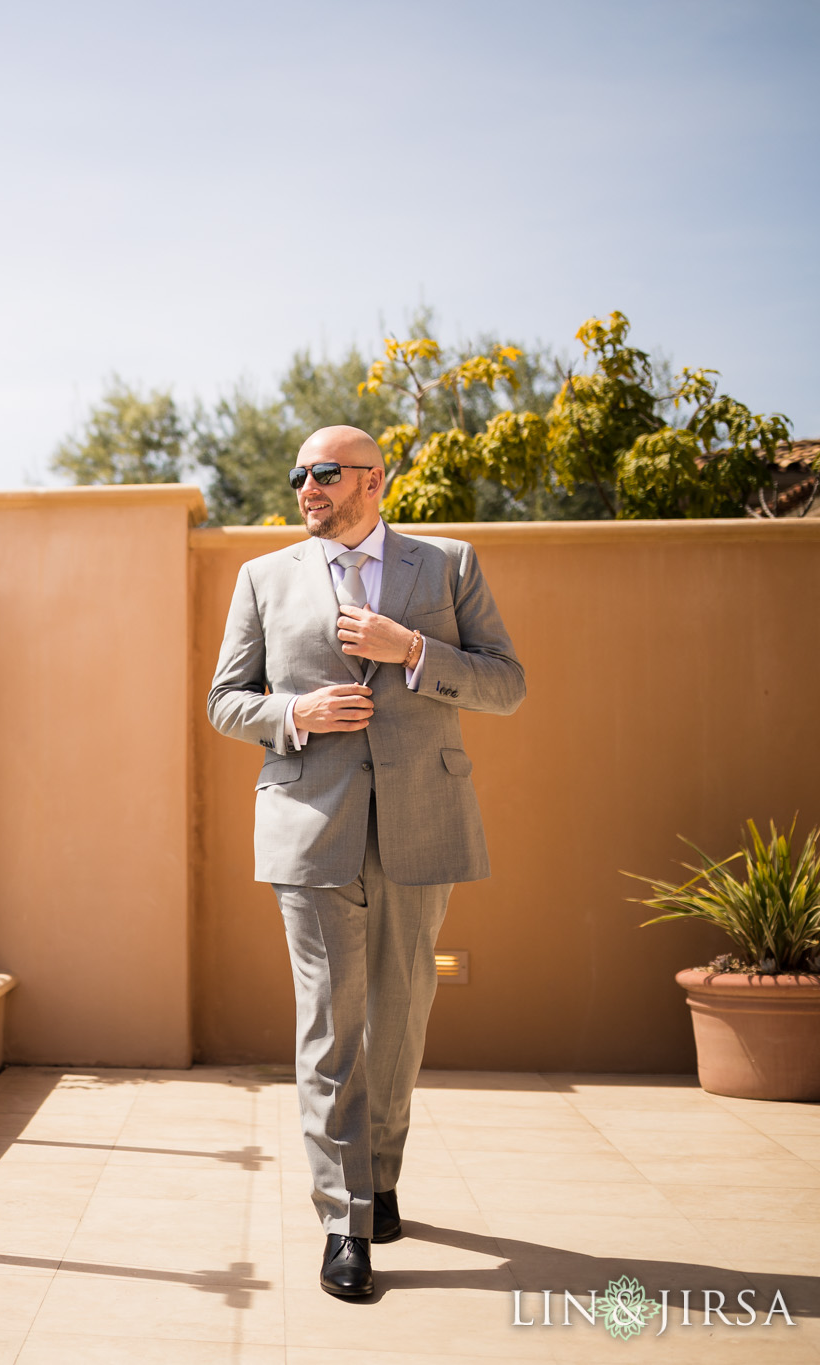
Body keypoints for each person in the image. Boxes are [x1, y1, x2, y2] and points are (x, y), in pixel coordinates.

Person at [206, 426, 525, 1299]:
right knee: (328, 1022)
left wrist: (413, 650)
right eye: (300, 473)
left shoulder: (448, 564)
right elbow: (225, 701)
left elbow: (507, 681)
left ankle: (380, 1174)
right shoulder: (263, 578)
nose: (307, 485)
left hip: (424, 817)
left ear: (375, 479)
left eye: (325, 472)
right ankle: (344, 1221)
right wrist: (298, 711)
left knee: (402, 1011)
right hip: (310, 826)